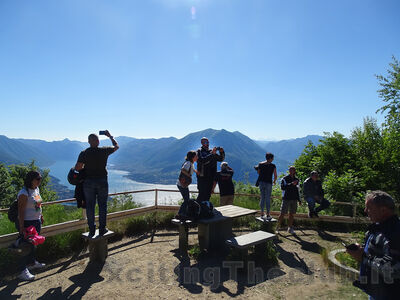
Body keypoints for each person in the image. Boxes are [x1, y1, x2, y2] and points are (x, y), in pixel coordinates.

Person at [347, 191, 400, 300]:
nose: (365, 211)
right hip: (376, 291)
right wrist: (360, 249)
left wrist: (363, 258)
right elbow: (373, 249)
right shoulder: (378, 226)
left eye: (369, 208)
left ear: (383, 210)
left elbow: (394, 269)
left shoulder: (395, 233)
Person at [75, 131, 119, 237]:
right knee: (102, 206)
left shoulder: (84, 152)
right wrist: (110, 136)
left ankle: (92, 230)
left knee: (90, 206)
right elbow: (116, 146)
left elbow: (78, 167)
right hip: (102, 181)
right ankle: (102, 228)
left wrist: (86, 166)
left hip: (88, 182)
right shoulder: (104, 150)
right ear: (98, 141)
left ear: (88, 142)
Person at [15, 171, 46, 281]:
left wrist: (40, 215)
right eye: (37, 179)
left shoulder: (36, 189)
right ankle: (22, 270)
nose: (39, 181)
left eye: (40, 178)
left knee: (33, 245)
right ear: (31, 180)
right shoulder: (24, 193)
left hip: (36, 221)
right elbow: (21, 211)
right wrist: (22, 226)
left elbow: (38, 203)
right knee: (25, 247)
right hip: (28, 223)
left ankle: (32, 263)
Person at [196, 137, 225, 202]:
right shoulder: (199, 151)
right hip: (202, 177)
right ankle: (197, 210)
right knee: (201, 195)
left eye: (208, 142)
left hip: (211, 177)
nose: (207, 144)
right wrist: (212, 154)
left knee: (208, 195)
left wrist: (222, 152)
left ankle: (205, 209)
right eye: (206, 142)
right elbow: (203, 161)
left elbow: (221, 159)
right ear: (202, 143)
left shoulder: (211, 152)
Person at [276, 166, 301, 234]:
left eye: (293, 170)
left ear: (295, 171)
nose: (292, 171)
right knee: (282, 213)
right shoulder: (284, 179)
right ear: (289, 171)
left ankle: (290, 228)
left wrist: (299, 200)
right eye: (290, 170)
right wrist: (291, 184)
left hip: (294, 199)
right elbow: (283, 188)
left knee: (292, 214)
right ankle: (277, 228)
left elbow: (297, 190)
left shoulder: (297, 179)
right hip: (286, 198)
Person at [255, 152, 277, 220]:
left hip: (261, 182)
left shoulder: (260, 164)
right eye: (272, 158)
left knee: (262, 197)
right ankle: (268, 214)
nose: (273, 159)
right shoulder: (273, 166)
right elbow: (275, 175)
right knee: (268, 198)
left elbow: (258, 172)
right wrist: (274, 181)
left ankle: (261, 213)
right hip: (269, 183)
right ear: (270, 158)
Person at [176, 150, 198, 218]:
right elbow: (183, 169)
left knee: (187, 199)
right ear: (192, 157)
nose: (197, 157)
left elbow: (192, 169)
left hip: (183, 184)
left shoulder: (191, 163)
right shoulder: (188, 163)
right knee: (186, 200)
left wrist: (197, 172)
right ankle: (180, 214)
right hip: (182, 184)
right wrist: (189, 175)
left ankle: (182, 213)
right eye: (196, 156)